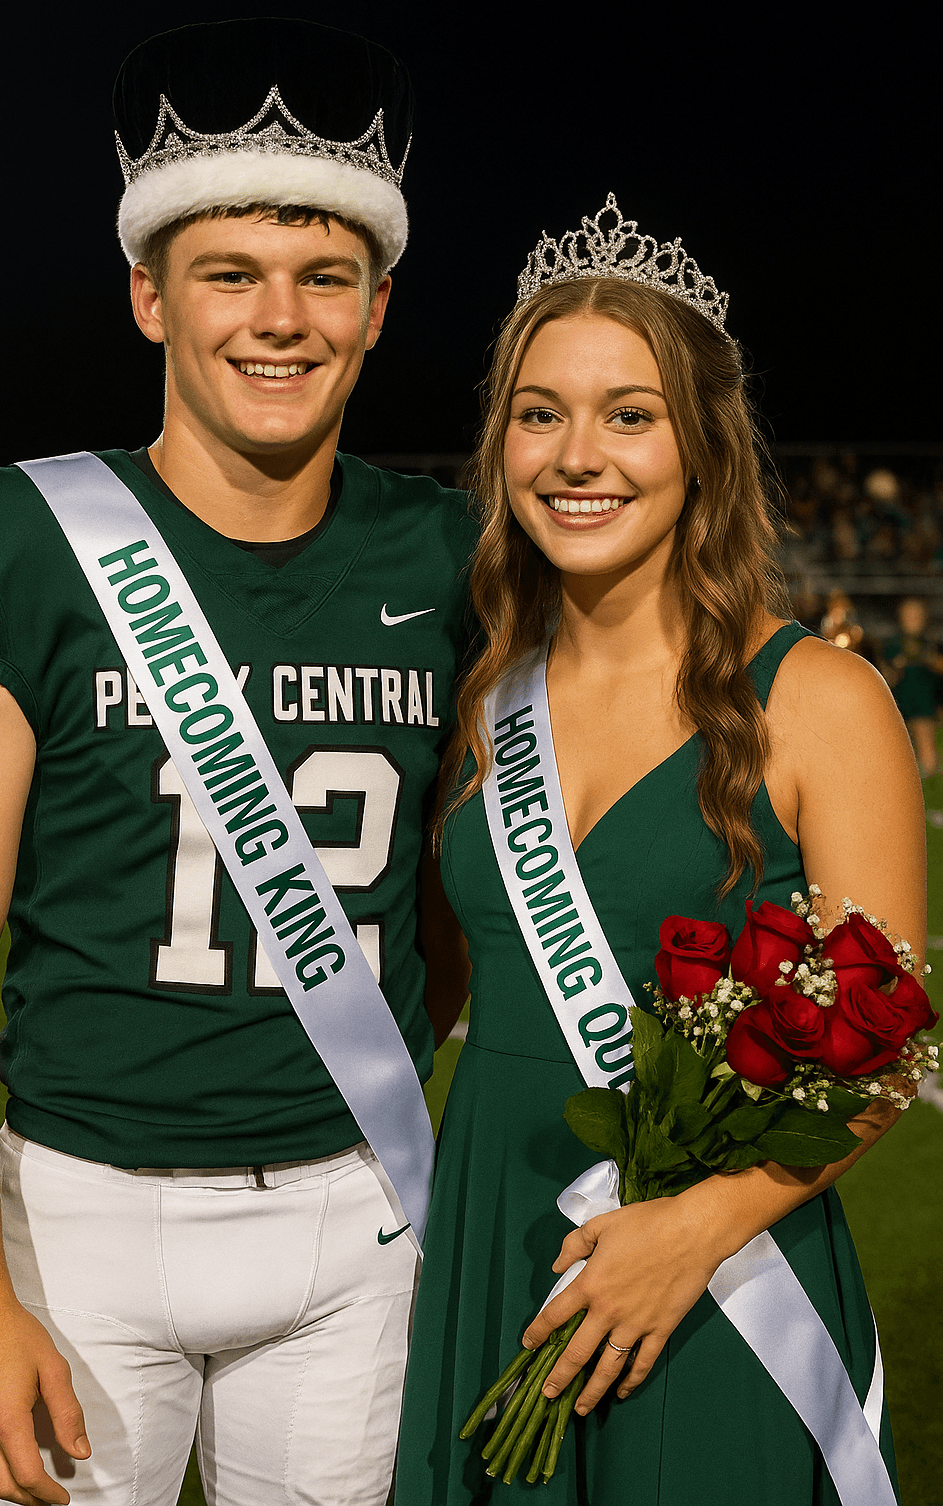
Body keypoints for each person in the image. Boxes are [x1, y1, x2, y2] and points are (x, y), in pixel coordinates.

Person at [0, 18, 473, 1506]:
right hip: (80, 1216)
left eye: (324, 278)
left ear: (377, 307)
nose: (279, 319)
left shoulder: (452, 555)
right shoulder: (10, 540)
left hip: (357, 1209)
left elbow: (460, 897)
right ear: (148, 295)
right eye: (229, 273)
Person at [396, 197, 928, 1503]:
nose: (577, 456)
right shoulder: (483, 695)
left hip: (720, 1281)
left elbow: (880, 1048)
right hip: (494, 1243)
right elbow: (440, 981)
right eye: (540, 414)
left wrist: (693, 1229)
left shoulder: (821, 700)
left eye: (629, 414)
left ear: (703, 447)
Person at [878, 596, 943, 776]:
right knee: (897, 751)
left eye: (916, 615)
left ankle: (930, 785)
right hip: (898, 703)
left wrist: (928, 657)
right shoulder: (891, 646)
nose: (912, 620)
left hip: (924, 704)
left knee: (926, 748)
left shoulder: (932, 644)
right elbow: (885, 676)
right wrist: (898, 665)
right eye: (908, 615)